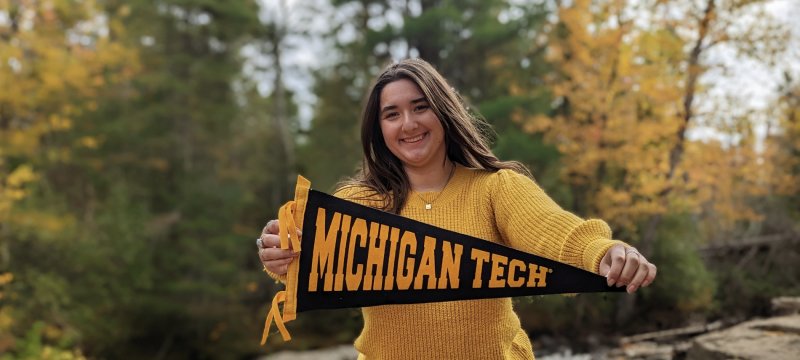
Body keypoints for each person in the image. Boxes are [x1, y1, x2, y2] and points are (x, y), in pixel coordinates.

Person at [256, 58, 656, 359]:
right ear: (379, 130)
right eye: (391, 114)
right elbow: (309, 261)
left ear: (444, 112)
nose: (408, 123)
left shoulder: (496, 188)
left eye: (420, 106)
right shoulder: (359, 204)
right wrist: (283, 256)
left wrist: (605, 252)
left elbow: (555, 232)